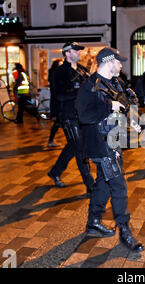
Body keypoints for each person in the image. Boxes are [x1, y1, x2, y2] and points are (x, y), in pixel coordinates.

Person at [75, 47, 144, 252]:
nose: (121, 65)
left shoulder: (116, 83)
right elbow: (84, 116)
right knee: (118, 185)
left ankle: (94, 221)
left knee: (103, 184)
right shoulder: (90, 86)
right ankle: (125, 231)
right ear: (107, 61)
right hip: (99, 143)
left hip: (114, 141)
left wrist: (134, 121)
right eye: (118, 61)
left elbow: (125, 104)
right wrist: (108, 106)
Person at [47, 42, 95, 197]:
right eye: (76, 50)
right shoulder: (59, 73)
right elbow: (59, 95)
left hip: (83, 116)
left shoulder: (83, 70)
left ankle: (55, 172)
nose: (79, 53)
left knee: (73, 146)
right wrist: (80, 93)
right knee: (80, 149)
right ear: (67, 53)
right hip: (69, 116)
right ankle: (90, 185)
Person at [47, 59, 62, 147]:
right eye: (59, 64)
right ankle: (50, 140)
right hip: (58, 104)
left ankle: (51, 140)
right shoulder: (56, 76)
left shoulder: (54, 76)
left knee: (58, 123)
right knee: (58, 123)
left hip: (57, 103)